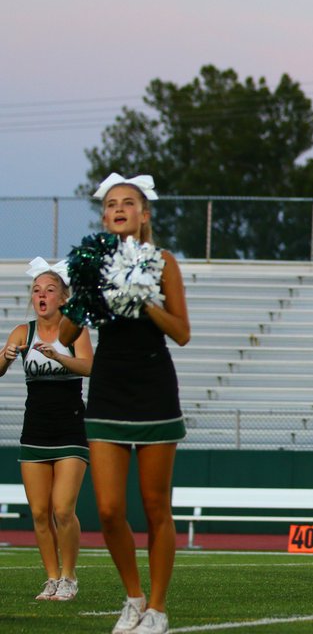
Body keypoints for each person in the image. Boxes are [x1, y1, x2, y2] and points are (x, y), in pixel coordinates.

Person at [59, 173, 190, 634]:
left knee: (155, 507)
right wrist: (85, 293)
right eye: (111, 203)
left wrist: (143, 297)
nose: (118, 209)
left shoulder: (163, 262)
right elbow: (66, 335)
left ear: (144, 213)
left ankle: (157, 608)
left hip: (154, 390)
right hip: (108, 391)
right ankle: (133, 598)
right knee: (110, 510)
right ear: (104, 215)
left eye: (128, 203)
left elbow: (181, 332)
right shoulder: (92, 264)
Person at [0, 259, 93, 602]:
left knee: (62, 509)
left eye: (49, 290)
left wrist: (57, 355)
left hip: (69, 428)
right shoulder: (23, 331)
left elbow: (88, 367)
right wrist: (7, 356)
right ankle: (51, 578)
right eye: (37, 290)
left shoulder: (75, 330)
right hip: (34, 430)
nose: (41, 295)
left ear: (62, 298)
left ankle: (69, 577)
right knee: (39, 513)